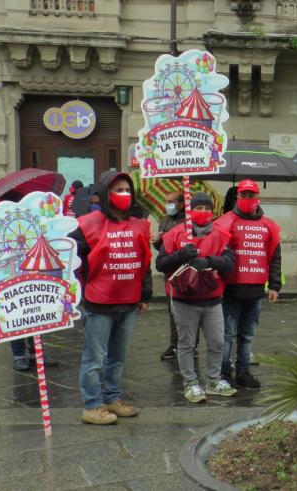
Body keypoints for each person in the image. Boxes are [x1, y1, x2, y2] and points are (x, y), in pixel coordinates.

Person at [70, 172, 152, 425]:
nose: (124, 194)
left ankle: (111, 398)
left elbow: (144, 262)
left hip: (128, 302)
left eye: (127, 190)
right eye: (118, 189)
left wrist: (145, 294)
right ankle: (92, 405)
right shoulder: (88, 224)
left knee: (117, 357)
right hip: (99, 303)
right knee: (94, 359)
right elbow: (71, 257)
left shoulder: (139, 225)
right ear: (106, 193)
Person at [156, 192, 237, 402]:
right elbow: (161, 263)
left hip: (212, 299)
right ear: (190, 210)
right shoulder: (175, 233)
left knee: (217, 342)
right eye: (198, 208)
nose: (203, 212)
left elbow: (229, 262)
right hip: (185, 299)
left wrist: (209, 262)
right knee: (186, 344)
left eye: (207, 208)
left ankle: (213, 380)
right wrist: (181, 255)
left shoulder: (220, 234)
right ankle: (190, 383)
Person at [213, 179, 282, 389]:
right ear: (237, 197)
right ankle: (224, 372)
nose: (247, 199)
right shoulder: (225, 222)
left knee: (247, 335)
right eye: (243, 195)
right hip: (231, 289)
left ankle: (243, 372)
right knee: (226, 335)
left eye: (251, 195)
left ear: (258, 197)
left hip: (255, 291)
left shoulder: (269, 226)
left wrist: (274, 286)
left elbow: (275, 256)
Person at [152, 190, 186, 360]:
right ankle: (175, 344)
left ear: (181, 203)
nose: (168, 205)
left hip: (186, 270)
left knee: (189, 312)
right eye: (166, 201)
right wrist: (158, 241)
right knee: (172, 311)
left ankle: (189, 346)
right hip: (170, 271)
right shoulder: (165, 219)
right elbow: (160, 250)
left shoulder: (188, 220)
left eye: (171, 201)